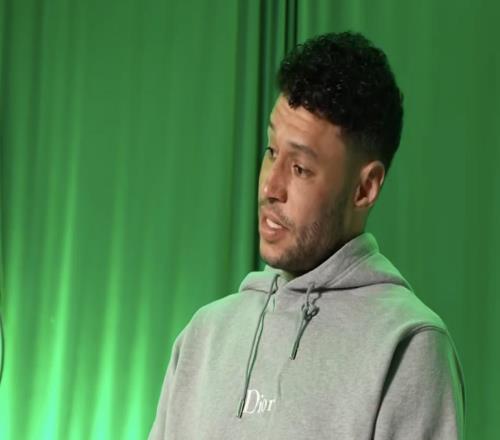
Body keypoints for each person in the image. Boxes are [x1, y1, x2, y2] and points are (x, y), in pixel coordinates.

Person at [148, 31, 465, 439]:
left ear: (364, 188)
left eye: (300, 168)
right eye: (271, 152)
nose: (270, 187)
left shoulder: (409, 346)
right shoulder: (203, 336)